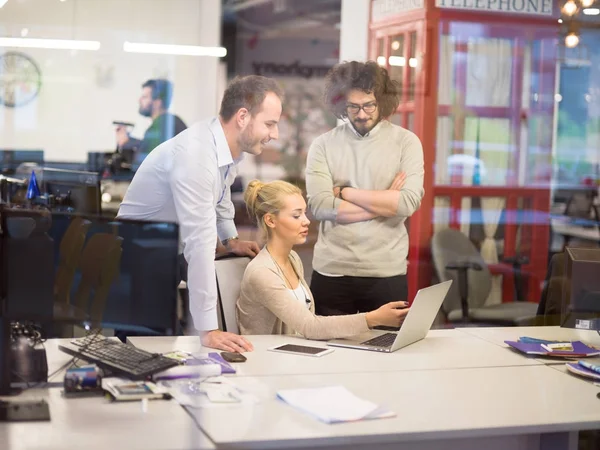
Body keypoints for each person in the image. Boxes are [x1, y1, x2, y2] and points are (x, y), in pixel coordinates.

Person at [117, 75, 284, 352]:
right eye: (270, 123)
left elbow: (220, 197)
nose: (275, 134)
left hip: (164, 248)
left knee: (169, 346)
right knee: (147, 350)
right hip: (137, 257)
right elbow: (200, 243)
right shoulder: (196, 155)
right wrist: (209, 330)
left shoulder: (224, 146)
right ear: (242, 116)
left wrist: (230, 240)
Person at [305, 60, 424, 317]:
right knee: (330, 354)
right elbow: (320, 206)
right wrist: (385, 202)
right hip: (332, 272)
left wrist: (346, 193)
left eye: (369, 105)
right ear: (340, 104)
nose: (361, 114)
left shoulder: (406, 142)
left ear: (382, 100)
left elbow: (406, 204)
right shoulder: (323, 145)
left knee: (385, 353)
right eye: (353, 106)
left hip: (386, 273)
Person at [236, 179, 410, 338]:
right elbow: (310, 326)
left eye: (305, 213)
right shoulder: (261, 273)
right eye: (296, 215)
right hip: (269, 362)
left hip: (296, 353)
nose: (306, 221)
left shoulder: (292, 258)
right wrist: (374, 318)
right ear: (270, 221)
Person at [116, 79, 188, 162]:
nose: (139, 100)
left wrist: (126, 143)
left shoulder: (160, 125)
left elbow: (144, 163)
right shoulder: (172, 122)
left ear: (157, 102)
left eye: (144, 97)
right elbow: (151, 147)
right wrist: (128, 141)